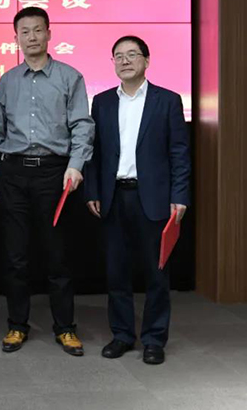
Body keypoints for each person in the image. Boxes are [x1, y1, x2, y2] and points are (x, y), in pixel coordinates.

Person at [0, 7, 94, 356]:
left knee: (57, 255)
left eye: (37, 30)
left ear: (49, 33)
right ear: (16, 37)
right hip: (13, 174)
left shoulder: (69, 76)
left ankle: (65, 328)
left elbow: (82, 125)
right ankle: (17, 325)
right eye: (24, 32)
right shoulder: (8, 80)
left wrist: (75, 165)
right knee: (15, 256)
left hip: (54, 174)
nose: (31, 37)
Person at [85, 35, 191, 365]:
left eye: (132, 54)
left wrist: (180, 196)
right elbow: (94, 153)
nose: (125, 61)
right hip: (113, 196)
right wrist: (92, 191)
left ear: (147, 61)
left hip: (154, 198)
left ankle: (154, 339)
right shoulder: (102, 102)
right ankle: (122, 335)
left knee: (156, 274)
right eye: (119, 56)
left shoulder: (167, 100)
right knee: (116, 272)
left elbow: (179, 153)